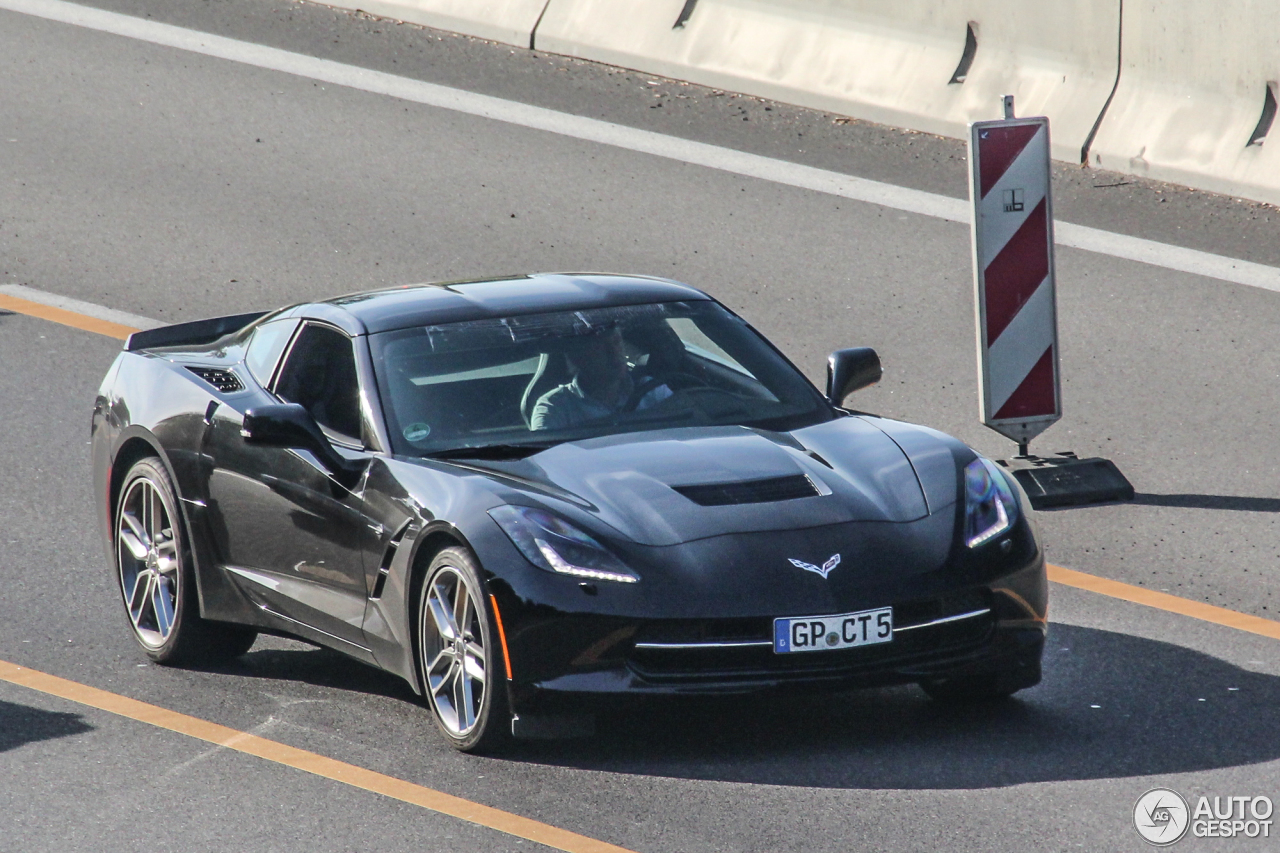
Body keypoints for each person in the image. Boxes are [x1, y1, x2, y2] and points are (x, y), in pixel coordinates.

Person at [531, 327, 672, 431]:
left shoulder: (651, 390)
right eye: (600, 348)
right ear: (578, 358)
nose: (614, 353)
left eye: (617, 343)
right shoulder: (554, 408)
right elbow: (546, 459)